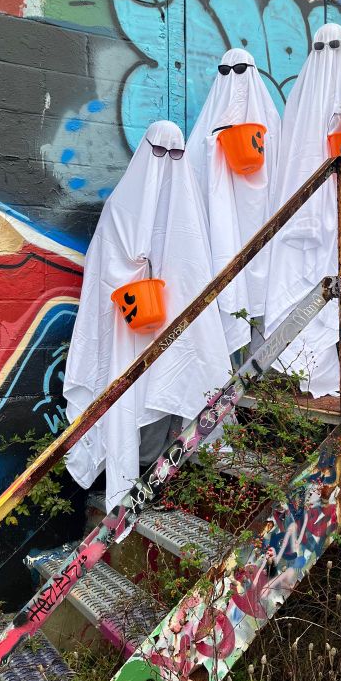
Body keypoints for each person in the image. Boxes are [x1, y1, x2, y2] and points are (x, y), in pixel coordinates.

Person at [62, 121, 232, 510]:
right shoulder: (119, 209)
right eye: (159, 152)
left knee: (167, 390)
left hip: (171, 322)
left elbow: (192, 269)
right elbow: (105, 265)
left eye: (175, 155)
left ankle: (160, 479)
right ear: (144, 153)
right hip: (129, 325)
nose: (166, 163)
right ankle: (134, 476)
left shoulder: (187, 213)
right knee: (132, 395)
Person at [265, 23, 341, 397]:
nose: (328, 56)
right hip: (301, 208)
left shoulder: (340, 84)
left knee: (332, 276)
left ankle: (327, 372)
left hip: (339, 203)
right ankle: (310, 371)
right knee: (306, 278)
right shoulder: (302, 97)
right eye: (321, 47)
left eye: (334, 46)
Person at [186, 49, 281, 356]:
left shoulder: (270, 123)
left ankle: (262, 362)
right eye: (225, 71)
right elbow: (194, 172)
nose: (233, 78)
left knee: (262, 284)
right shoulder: (207, 128)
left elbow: (280, 168)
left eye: (240, 70)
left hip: (262, 220)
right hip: (222, 223)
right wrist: (217, 143)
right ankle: (227, 359)